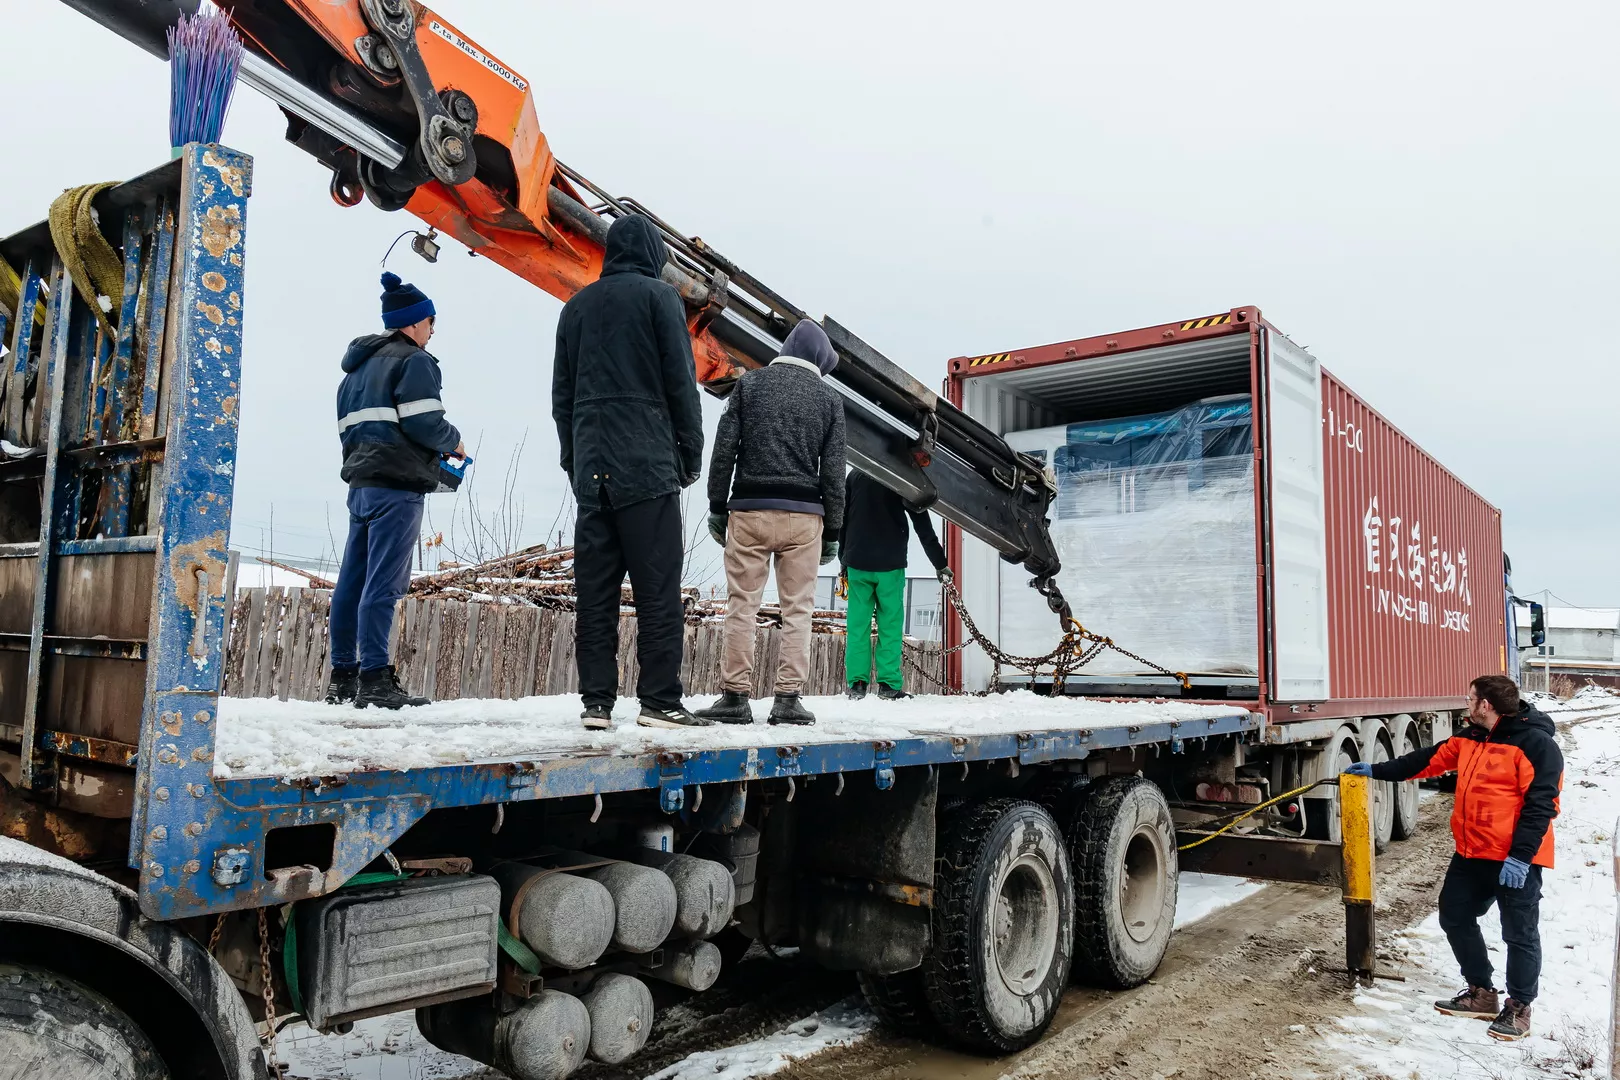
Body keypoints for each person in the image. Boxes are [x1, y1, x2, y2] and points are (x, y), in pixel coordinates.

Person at [1344, 674, 1562, 1041]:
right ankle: (1481, 992)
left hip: (1515, 859)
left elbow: (1542, 805)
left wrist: (1521, 856)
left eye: (1470, 698)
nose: (1466, 703)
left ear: (1485, 705)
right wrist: (1376, 770)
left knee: (1519, 933)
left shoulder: (1537, 745)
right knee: (1454, 915)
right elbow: (1426, 761)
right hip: (1471, 853)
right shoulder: (1471, 737)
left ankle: (1520, 1007)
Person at [553, 215, 707, 730]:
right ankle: (659, 702)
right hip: (647, 466)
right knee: (657, 591)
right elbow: (681, 383)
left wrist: (574, 461)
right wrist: (689, 456)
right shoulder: (660, 298)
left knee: (594, 594)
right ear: (652, 253)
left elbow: (562, 398)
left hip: (592, 470)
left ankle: (596, 703)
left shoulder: (575, 307)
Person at [696, 321, 846, 726]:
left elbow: (724, 450)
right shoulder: (829, 400)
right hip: (804, 518)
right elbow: (833, 473)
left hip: (750, 510)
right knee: (798, 609)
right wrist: (833, 531)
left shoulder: (749, 385)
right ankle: (788, 700)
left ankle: (734, 697)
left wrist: (717, 505)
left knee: (742, 605)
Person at [326, 272, 463, 709]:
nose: (432, 331)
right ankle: (375, 680)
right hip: (398, 487)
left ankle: (343, 678)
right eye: (431, 322)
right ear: (414, 322)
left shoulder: (355, 371)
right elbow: (424, 422)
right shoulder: (415, 361)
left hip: (361, 485)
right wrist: (454, 441)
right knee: (384, 584)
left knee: (351, 583)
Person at [838, 471, 949, 700]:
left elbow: (843, 518)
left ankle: (857, 685)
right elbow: (922, 524)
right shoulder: (900, 475)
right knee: (890, 626)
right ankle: (888, 685)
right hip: (890, 564)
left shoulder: (855, 475)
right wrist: (940, 563)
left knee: (858, 626)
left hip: (857, 561)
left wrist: (844, 559)